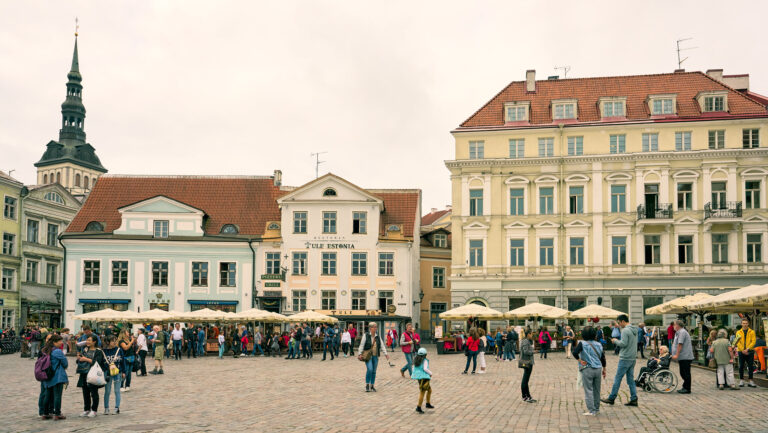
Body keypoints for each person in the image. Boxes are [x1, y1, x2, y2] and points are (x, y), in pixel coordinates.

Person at [601, 314, 638, 406]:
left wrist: (615, 341)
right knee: (630, 380)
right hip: (632, 357)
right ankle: (634, 398)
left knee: (618, 378)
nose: (618, 324)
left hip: (625, 358)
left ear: (623, 321)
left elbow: (623, 343)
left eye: (619, 322)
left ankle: (611, 398)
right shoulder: (634, 329)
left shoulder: (625, 330)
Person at [572, 326, 606, 416]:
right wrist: (604, 368)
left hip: (587, 369)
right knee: (597, 390)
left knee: (588, 390)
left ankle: (591, 410)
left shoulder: (582, 343)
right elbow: (603, 357)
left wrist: (580, 360)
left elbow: (574, 352)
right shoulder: (599, 344)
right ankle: (597, 408)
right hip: (598, 369)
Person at [76, 335, 108, 417]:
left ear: (94, 342)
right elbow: (79, 360)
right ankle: (86, 409)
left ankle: (94, 410)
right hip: (84, 373)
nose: (87, 342)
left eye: (89, 340)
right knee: (85, 392)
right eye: (87, 340)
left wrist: (85, 359)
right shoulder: (85, 349)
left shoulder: (98, 351)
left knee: (94, 393)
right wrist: (79, 358)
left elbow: (97, 362)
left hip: (93, 374)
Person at [42, 334, 68, 420]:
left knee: (47, 395)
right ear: (54, 342)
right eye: (60, 341)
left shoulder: (45, 349)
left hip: (47, 375)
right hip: (57, 375)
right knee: (57, 395)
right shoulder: (57, 351)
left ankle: (45, 413)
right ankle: (57, 413)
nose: (61, 343)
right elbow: (65, 363)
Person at [357, 322, 390, 392]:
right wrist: (359, 354)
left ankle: (372, 385)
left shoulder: (378, 337)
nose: (375, 328)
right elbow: (361, 345)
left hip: (375, 356)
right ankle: (367, 384)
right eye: (374, 327)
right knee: (370, 369)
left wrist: (386, 354)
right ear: (370, 328)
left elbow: (382, 345)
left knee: (374, 371)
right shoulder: (366, 335)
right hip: (368, 356)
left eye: (376, 327)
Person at [102, 335, 126, 414]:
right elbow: (102, 363)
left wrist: (124, 372)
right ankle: (106, 408)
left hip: (117, 372)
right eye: (113, 341)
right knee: (107, 391)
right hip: (107, 373)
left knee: (117, 390)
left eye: (115, 340)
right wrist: (106, 368)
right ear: (107, 342)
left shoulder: (119, 350)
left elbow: (122, 361)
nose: (115, 342)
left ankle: (117, 407)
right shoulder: (103, 351)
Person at [671, 319, 694, 394]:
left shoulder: (682, 332)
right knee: (682, 372)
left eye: (674, 325)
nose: (673, 326)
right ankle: (685, 386)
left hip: (685, 356)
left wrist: (677, 355)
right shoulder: (678, 332)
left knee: (685, 373)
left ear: (677, 325)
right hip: (682, 357)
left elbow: (680, 344)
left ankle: (687, 388)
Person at [734, 318, 757, 387]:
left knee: (750, 366)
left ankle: (750, 380)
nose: (745, 325)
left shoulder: (752, 332)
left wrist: (747, 349)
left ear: (748, 324)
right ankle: (741, 380)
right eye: (743, 323)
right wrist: (742, 350)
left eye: (746, 323)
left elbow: (753, 341)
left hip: (750, 351)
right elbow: (737, 342)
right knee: (741, 366)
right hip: (741, 351)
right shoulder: (738, 332)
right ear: (741, 324)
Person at [411, 348, 434, 413]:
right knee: (422, 392)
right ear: (425, 354)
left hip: (419, 378)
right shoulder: (425, 361)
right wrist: (431, 373)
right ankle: (418, 407)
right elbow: (425, 369)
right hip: (424, 378)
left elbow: (413, 368)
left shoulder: (415, 360)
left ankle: (428, 403)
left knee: (429, 390)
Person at [519, 328, 536, 403]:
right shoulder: (525, 341)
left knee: (526, 380)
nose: (532, 335)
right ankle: (525, 396)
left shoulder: (525, 340)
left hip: (528, 361)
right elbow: (526, 351)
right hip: (527, 362)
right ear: (528, 334)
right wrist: (533, 351)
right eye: (531, 334)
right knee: (525, 380)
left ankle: (528, 396)